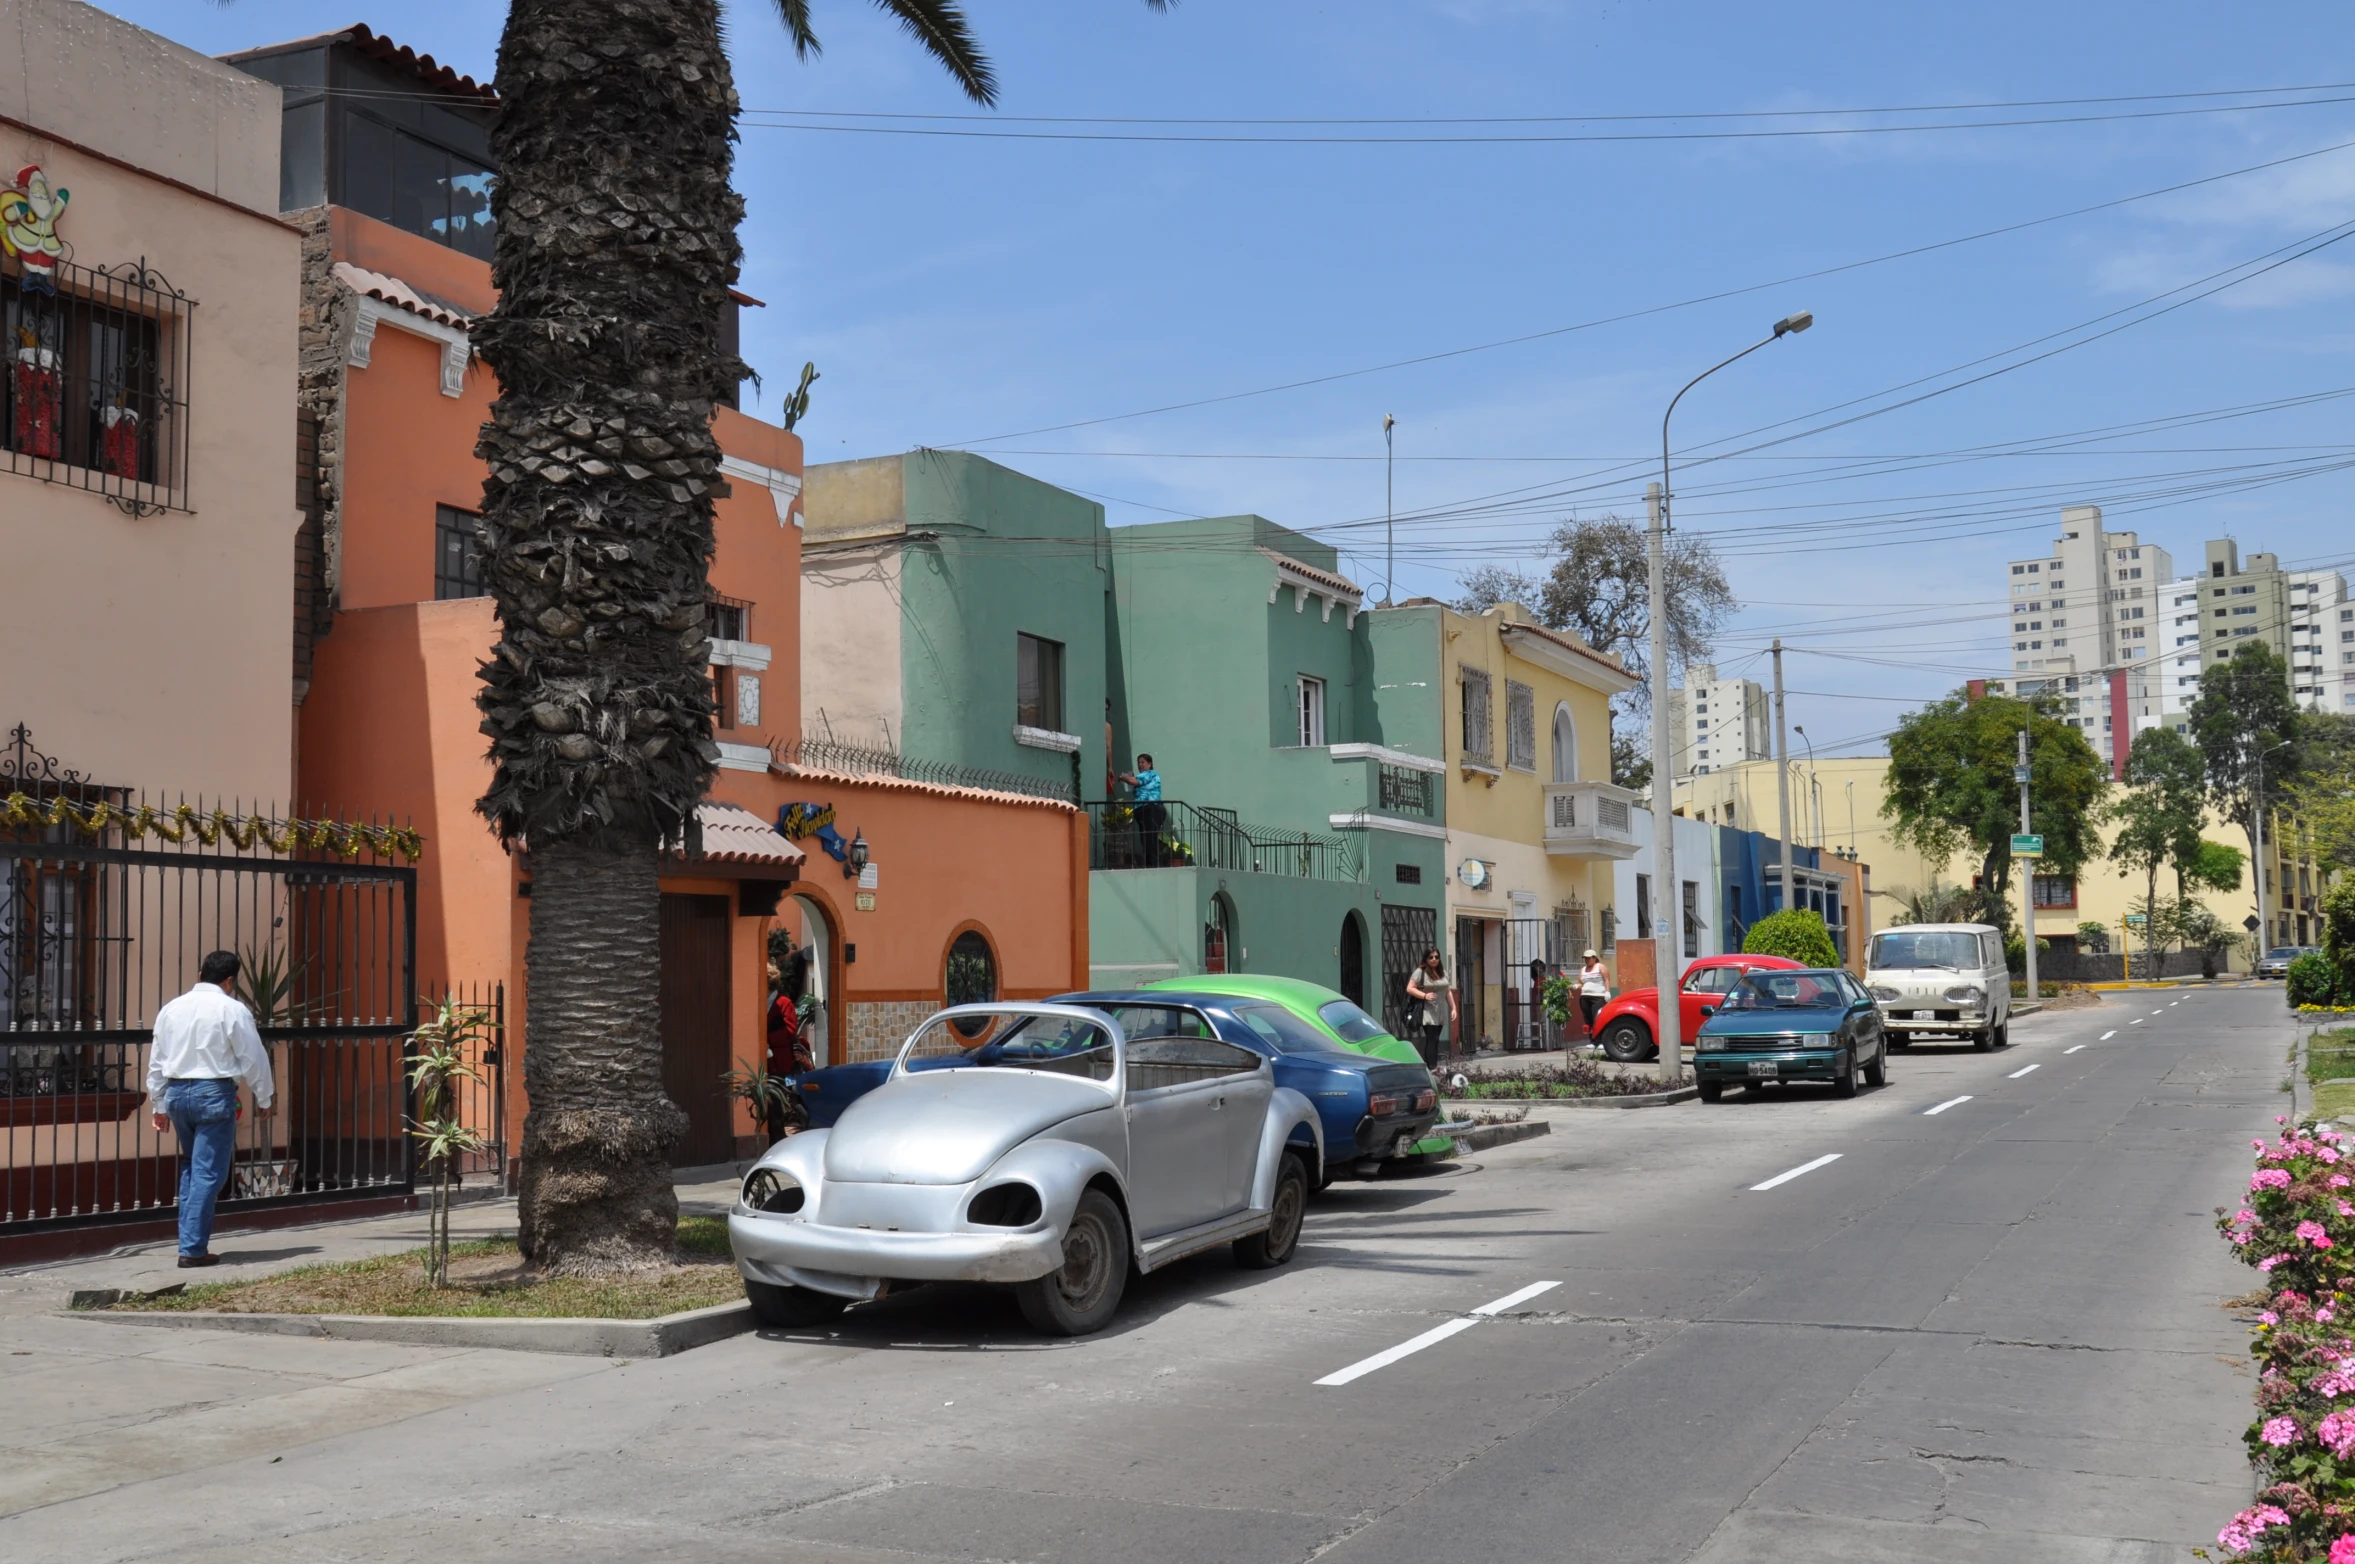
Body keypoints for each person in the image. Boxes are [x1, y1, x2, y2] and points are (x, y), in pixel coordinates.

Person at [146, 950, 275, 1268]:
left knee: (193, 1167)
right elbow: (253, 1057)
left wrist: (158, 1104)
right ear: (230, 981)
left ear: (200, 973)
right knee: (207, 1172)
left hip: (177, 1093)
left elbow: (157, 1060)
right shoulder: (232, 1009)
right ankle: (191, 1249)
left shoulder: (171, 1008)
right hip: (213, 1093)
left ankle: (190, 1242)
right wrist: (264, 1097)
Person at [763, 955, 812, 1142]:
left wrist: (766, 1038)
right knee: (773, 1101)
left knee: (785, 1099)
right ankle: (775, 1136)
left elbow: (789, 1030)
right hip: (767, 1060)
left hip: (781, 1061)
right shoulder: (760, 1002)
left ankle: (785, 1135)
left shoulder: (784, 1003)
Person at [1404, 947, 1458, 1064]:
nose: (1434, 959)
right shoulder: (1420, 971)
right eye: (1431, 957)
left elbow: (1447, 990)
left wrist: (1453, 1008)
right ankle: (1432, 1068)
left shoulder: (1442, 972)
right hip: (1427, 1011)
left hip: (1439, 1011)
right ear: (1426, 958)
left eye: (1437, 957)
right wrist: (1424, 995)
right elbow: (1409, 988)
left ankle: (1432, 1066)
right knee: (1432, 1039)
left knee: (1436, 1039)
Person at [1118, 752, 1167, 867]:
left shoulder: (1149, 773)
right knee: (1145, 839)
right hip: (1143, 809)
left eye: (1143, 762)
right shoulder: (1143, 776)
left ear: (1149, 764)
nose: (1140, 765)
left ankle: (1153, 866)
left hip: (1151, 808)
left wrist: (1122, 777)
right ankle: (1149, 864)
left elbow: (1133, 781)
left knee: (1150, 838)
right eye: (1139, 763)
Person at [1577, 949, 1611, 1038]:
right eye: (1585, 958)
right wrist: (1576, 986)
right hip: (1584, 997)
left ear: (1594, 958)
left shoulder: (1600, 967)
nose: (1586, 960)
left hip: (1598, 997)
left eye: (1588, 958)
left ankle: (1600, 1039)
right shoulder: (1583, 970)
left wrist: (1607, 992)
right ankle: (1592, 1040)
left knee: (1597, 1018)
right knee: (1588, 1019)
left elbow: (1607, 980)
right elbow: (1581, 983)